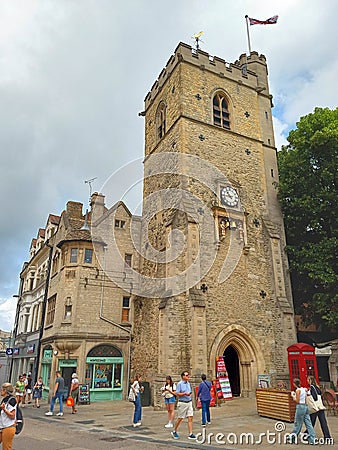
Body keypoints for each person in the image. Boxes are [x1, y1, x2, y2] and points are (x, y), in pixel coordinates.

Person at [289, 378, 316, 445]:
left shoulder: (298, 390)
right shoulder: (304, 389)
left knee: (297, 423)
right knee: (308, 423)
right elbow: (308, 394)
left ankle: (292, 437)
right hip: (305, 406)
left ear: (294, 384)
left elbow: (297, 401)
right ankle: (313, 439)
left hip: (300, 407)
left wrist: (293, 396)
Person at [171, 371, 196, 440]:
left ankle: (190, 433)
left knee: (190, 417)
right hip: (182, 403)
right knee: (180, 418)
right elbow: (177, 393)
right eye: (187, 375)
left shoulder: (188, 383)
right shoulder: (180, 384)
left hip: (189, 402)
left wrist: (189, 394)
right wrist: (184, 394)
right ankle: (174, 430)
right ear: (183, 376)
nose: (188, 376)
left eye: (188, 375)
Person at [307, 375, 331, 440]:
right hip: (320, 407)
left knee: (311, 422)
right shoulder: (317, 387)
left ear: (310, 380)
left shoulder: (312, 387)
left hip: (315, 407)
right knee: (323, 422)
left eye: (308, 380)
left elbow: (315, 397)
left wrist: (309, 395)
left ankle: (307, 434)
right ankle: (327, 436)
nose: (307, 381)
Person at [0, 383, 17, 450]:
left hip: (8, 427)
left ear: (5, 391)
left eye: (2, 389)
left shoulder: (12, 400)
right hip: (2, 426)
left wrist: (4, 409)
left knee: (6, 447)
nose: (1, 391)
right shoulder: (4, 399)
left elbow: (12, 416)